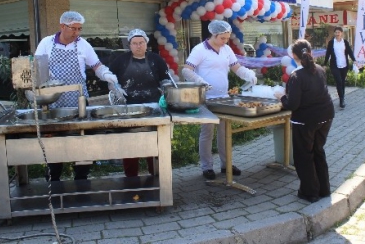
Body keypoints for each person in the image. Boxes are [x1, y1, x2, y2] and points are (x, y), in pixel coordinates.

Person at [35, 11, 123, 181]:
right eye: (73, 29)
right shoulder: (46, 43)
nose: (77, 33)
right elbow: (37, 69)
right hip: (53, 104)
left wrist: (107, 75)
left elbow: (97, 66)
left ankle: (81, 179)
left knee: (83, 143)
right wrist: (44, 74)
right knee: (54, 146)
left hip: (79, 102)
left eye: (79, 29)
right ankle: (53, 181)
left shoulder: (83, 45)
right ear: (62, 27)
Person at [182, 20, 257, 180]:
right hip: (206, 98)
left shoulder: (226, 49)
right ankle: (207, 167)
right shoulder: (200, 49)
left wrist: (248, 74)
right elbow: (186, 70)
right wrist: (199, 80)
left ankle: (226, 164)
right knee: (207, 132)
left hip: (223, 98)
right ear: (213, 35)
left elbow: (236, 68)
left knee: (225, 132)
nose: (225, 41)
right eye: (222, 38)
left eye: (227, 38)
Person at [274, 39, 335, 203]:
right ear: (311, 52)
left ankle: (309, 192)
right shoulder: (321, 70)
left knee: (304, 156)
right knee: (318, 151)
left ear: (293, 56)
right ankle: (324, 189)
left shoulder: (296, 76)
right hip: (326, 116)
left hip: (306, 121)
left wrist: (281, 97)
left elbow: (292, 104)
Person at [108, 29, 172, 177]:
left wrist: (167, 90)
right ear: (129, 45)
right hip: (129, 107)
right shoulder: (121, 60)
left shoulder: (156, 59)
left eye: (141, 42)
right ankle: (131, 177)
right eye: (135, 43)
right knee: (130, 143)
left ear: (146, 43)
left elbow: (165, 79)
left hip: (154, 107)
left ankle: (156, 174)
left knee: (154, 143)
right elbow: (110, 80)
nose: (138, 46)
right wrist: (115, 88)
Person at [324, 26, 356, 109]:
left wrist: (354, 60)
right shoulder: (331, 43)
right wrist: (324, 64)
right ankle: (341, 100)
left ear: (341, 33)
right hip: (335, 65)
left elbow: (349, 51)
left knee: (342, 82)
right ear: (334, 33)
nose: (337, 34)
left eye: (339, 32)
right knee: (338, 81)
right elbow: (328, 53)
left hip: (344, 65)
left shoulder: (345, 42)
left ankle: (342, 97)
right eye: (336, 32)